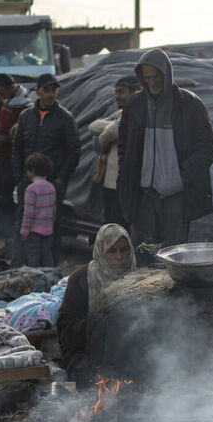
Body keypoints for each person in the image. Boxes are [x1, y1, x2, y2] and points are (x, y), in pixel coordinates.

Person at [117, 50, 213, 251]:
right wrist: (127, 174)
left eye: (157, 77)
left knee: (174, 255)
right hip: (143, 195)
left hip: (177, 196)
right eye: (148, 77)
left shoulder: (188, 104)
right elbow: (124, 145)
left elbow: (207, 148)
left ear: (167, 74)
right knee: (142, 253)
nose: (152, 82)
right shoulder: (135, 105)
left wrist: (182, 175)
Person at [57, 223, 136, 388]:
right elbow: (65, 328)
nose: (119, 257)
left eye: (124, 249)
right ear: (101, 251)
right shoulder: (81, 279)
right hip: (85, 354)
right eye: (112, 251)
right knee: (97, 380)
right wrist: (98, 327)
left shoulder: (138, 278)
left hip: (127, 353)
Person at [11, 73, 79, 264]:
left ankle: (49, 270)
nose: (51, 94)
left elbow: (74, 151)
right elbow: (17, 148)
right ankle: (19, 266)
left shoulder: (65, 118)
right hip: (27, 182)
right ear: (38, 91)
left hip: (52, 185)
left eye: (54, 90)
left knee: (52, 228)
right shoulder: (26, 117)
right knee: (22, 224)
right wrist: (20, 178)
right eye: (47, 90)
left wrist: (60, 179)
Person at [0, 73, 32, 256]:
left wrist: (5, 140)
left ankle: (12, 244)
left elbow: (21, 135)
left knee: (9, 202)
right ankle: (3, 238)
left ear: (11, 87)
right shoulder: (3, 104)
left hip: (13, 160)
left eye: (1, 91)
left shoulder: (25, 107)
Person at [89, 75, 137, 228]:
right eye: (116, 92)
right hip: (111, 183)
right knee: (111, 225)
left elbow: (108, 135)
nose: (117, 96)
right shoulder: (120, 114)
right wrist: (111, 131)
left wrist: (110, 134)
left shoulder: (136, 114)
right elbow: (93, 126)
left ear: (135, 92)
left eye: (121, 92)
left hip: (125, 184)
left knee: (121, 227)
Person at [19, 153, 57, 266]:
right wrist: (51, 226)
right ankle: (50, 277)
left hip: (34, 231)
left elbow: (28, 213)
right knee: (47, 255)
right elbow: (53, 210)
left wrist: (24, 231)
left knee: (33, 256)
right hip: (48, 230)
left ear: (33, 170)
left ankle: (34, 279)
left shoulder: (31, 189)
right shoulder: (51, 187)